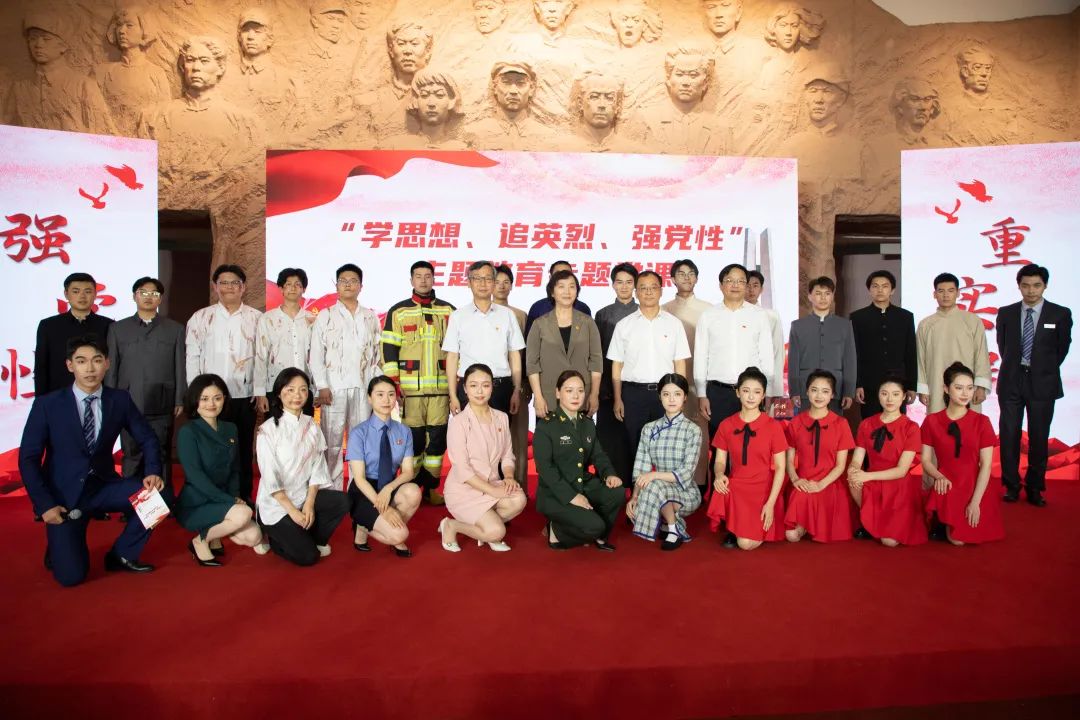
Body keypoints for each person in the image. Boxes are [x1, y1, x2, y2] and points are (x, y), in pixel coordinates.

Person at [19, 335, 164, 586]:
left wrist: (153, 470)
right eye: (81, 361)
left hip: (103, 485)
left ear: (107, 363)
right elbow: (28, 459)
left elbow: (148, 438)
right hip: (64, 496)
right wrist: (45, 505)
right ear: (69, 365)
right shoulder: (47, 405)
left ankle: (122, 554)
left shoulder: (119, 399)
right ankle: (59, 545)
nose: (90, 368)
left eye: (96, 360)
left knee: (155, 500)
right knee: (71, 577)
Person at [996, 264, 1073, 506]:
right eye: (1026, 285)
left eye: (1036, 285)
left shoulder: (1060, 314)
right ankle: (1011, 485)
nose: (1031, 291)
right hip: (1011, 380)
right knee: (1009, 434)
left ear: (1045, 286)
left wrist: (1040, 367)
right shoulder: (1006, 313)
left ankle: (1035, 487)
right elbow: (1003, 347)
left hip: (1043, 382)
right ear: (1019, 286)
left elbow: (1061, 349)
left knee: (1039, 436)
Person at [255, 368, 349, 566]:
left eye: (303, 390)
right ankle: (275, 538)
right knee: (308, 557)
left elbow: (317, 467)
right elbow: (270, 478)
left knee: (342, 501)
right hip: (278, 505)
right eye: (290, 390)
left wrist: (309, 502)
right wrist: (292, 511)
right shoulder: (268, 431)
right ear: (278, 393)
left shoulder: (312, 425)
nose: (297, 395)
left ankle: (313, 538)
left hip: (303, 496)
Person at [185, 264, 262, 502]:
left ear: (243, 287)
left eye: (234, 283)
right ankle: (213, 498)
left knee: (243, 448)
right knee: (211, 450)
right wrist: (196, 393)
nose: (229, 287)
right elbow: (193, 356)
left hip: (245, 395)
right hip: (210, 399)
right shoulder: (201, 317)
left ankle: (244, 497)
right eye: (224, 283)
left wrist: (259, 390)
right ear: (215, 287)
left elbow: (262, 357)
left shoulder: (257, 318)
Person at [381, 261, 455, 505]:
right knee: (412, 442)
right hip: (410, 393)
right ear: (411, 280)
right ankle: (409, 487)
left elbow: (458, 350)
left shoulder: (448, 311)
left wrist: (456, 387)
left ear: (434, 279)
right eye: (418, 276)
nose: (423, 280)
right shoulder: (399, 312)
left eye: (428, 276)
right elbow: (388, 348)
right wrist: (393, 384)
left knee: (437, 442)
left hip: (441, 391)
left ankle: (432, 488)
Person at [695, 264, 775, 483]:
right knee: (719, 449)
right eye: (730, 280)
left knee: (750, 449)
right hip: (718, 392)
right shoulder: (709, 315)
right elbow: (701, 355)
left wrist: (766, 392)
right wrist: (702, 393)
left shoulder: (759, 316)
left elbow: (766, 355)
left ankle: (748, 494)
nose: (735, 285)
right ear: (721, 285)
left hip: (750, 393)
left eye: (741, 281)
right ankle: (720, 498)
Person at [176, 373, 267, 567]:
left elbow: (234, 469)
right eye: (204, 399)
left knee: (254, 536)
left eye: (217, 398)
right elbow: (196, 477)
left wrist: (235, 496)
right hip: (198, 501)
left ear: (224, 399)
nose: (211, 404)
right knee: (243, 514)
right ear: (195, 400)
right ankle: (200, 540)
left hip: (225, 498)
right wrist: (229, 501)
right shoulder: (188, 432)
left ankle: (216, 533)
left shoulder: (230, 428)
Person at [105, 277, 185, 494]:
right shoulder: (117, 329)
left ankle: (164, 500)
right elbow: (112, 368)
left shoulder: (175, 329)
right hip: (128, 401)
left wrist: (179, 398)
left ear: (161, 298)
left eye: (154, 293)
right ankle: (130, 500)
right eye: (143, 292)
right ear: (134, 296)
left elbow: (180, 366)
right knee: (131, 453)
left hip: (162, 401)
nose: (149, 297)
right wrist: (110, 398)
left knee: (161, 451)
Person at [609, 271, 690, 481]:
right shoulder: (624, 325)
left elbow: (680, 363)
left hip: (666, 395)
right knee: (635, 447)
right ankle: (637, 496)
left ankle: (664, 495)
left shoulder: (674, 324)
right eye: (643, 288)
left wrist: (680, 397)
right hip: (633, 395)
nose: (648, 292)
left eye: (653, 287)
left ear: (661, 291)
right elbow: (617, 365)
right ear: (636, 292)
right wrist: (618, 398)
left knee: (667, 447)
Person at [439, 363, 526, 552]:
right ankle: (452, 525)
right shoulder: (459, 423)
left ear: (492, 387)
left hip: (491, 483)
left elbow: (507, 455)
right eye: (473, 385)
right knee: (497, 531)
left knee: (519, 499)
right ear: (464, 388)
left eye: (485, 385)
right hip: (464, 490)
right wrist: (493, 491)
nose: (480, 391)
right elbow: (462, 470)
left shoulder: (501, 417)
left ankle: (485, 527)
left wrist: (508, 477)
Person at [534, 370, 624, 551]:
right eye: (569, 390)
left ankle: (599, 536)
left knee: (616, 493)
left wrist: (609, 474)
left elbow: (598, 455)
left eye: (580, 391)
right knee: (594, 526)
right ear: (558, 393)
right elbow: (545, 468)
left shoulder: (587, 423)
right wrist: (572, 497)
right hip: (556, 492)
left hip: (583, 483)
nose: (576, 396)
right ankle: (556, 530)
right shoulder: (546, 425)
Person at [310, 263, 381, 489]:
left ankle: (358, 488)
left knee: (360, 441)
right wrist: (322, 385)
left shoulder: (370, 317)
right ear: (336, 285)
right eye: (343, 281)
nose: (348, 285)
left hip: (363, 387)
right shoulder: (325, 316)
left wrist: (376, 389)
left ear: (361, 286)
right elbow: (316, 354)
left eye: (353, 281)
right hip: (334, 388)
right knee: (331, 442)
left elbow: (377, 356)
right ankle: (331, 489)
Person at [705, 367, 788, 550]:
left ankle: (743, 526)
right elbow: (720, 461)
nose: (751, 396)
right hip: (737, 486)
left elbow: (781, 468)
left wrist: (770, 504)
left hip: (763, 488)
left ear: (763, 395)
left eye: (757, 392)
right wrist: (719, 475)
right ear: (737, 392)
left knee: (745, 544)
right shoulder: (726, 425)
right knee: (722, 486)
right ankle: (735, 525)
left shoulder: (773, 426)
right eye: (746, 391)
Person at [921, 362, 1004, 545]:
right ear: (946, 389)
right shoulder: (931, 421)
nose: (965, 393)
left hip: (975, 485)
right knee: (957, 540)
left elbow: (986, 465)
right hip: (946, 483)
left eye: (969, 388)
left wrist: (975, 502)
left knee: (961, 539)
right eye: (959, 388)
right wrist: (939, 476)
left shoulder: (982, 422)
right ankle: (941, 516)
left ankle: (945, 518)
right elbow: (925, 460)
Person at [345, 376, 423, 557]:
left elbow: (408, 472)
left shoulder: (404, 431)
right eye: (380, 395)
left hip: (388, 485)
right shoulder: (359, 433)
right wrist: (385, 509)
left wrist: (389, 488)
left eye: (391, 394)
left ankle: (378, 527)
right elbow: (359, 479)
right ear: (369, 398)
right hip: (364, 490)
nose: (386, 400)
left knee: (413, 492)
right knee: (400, 535)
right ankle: (367, 526)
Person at [848, 374, 927, 547]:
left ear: (904, 396)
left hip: (899, 484)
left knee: (889, 542)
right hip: (873, 481)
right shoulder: (866, 424)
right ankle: (869, 520)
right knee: (852, 478)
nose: (889, 399)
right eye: (884, 393)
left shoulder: (911, 427)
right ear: (878, 395)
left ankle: (879, 522)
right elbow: (857, 458)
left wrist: (866, 476)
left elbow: (902, 470)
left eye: (895, 394)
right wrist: (853, 469)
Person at [626, 373, 702, 550]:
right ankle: (668, 523)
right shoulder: (649, 428)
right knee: (645, 497)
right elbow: (641, 468)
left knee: (654, 485)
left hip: (685, 492)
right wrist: (635, 497)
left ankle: (674, 529)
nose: (671, 399)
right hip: (655, 488)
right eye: (666, 394)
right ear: (659, 396)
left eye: (677, 394)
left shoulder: (693, 430)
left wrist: (654, 475)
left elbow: (686, 473)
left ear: (685, 397)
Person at [444, 261, 525, 416]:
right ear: (469, 283)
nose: (483, 284)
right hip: (469, 389)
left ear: (494, 282)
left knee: (501, 431)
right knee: (468, 431)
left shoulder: (507, 315)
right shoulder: (458, 316)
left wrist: (516, 390)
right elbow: (452, 357)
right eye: (477, 278)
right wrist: (453, 395)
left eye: (488, 279)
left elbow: (515, 355)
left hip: (501, 388)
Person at [783, 370, 856, 543]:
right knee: (791, 536)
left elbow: (841, 466)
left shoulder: (841, 424)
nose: (819, 396)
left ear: (832, 395)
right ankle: (805, 523)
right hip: (803, 482)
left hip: (829, 483)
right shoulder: (795, 423)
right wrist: (795, 479)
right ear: (807, 392)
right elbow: (789, 460)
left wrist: (821, 485)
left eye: (825, 391)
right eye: (814, 390)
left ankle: (811, 523)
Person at [663, 259, 712, 495]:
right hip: (672, 384)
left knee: (701, 436)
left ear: (697, 278)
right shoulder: (663, 310)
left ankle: (699, 486)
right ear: (672, 279)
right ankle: (672, 487)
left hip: (700, 383)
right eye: (681, 274)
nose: (686, 277)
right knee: (673, 436)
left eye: (691, 273)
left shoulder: (709, 310)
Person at [526, 270, 603, 419]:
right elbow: (532, 364)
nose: (567, 292)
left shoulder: (588, 322)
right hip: (548, 398)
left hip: (581, 397)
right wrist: (538, 396)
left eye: (572, 287)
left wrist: (594, 394)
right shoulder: (539, 324)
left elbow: (596, 361)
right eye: (561, 286)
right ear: (552, 292)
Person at [916, 273, 991, 413]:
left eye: (950, 291)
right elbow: (920, 359)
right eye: (941, 291)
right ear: (934, 294)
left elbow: (981, 354)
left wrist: (980, 386)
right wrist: (922, 389)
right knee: (937, 421)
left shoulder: (972, 321)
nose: (946, 295)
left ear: (958, 293)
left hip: (967, 387)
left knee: (968, 422)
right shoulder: (925, 324)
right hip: (935, 384)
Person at [850, 270, 917, 419]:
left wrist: (912, 386)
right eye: (875, 286)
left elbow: (910, 353)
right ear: (869, 290)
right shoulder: (858, 317)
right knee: (870, 424)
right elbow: (855, 354)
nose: (880, 290)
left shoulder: (905, 317)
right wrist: (857, 384)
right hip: (869, 384)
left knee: (897, 424)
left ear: (892, 290)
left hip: (898, 384)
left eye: (885, 286)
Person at [594, 262, 639, 483]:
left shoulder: (643, 313)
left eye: (629, 282)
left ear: (635, 285)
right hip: (607, 389)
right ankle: (609, 488)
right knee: (608, 443)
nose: (624, 287)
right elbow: (598, 354)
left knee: (634, 442)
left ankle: (635, 490)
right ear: (612, 284)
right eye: (619, 282)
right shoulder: (603, 315)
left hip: (634, 387)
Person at [35, 272, 113, 396]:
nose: (82, 296)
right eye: (76, 291)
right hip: (58, 396)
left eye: (87, 291)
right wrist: (40, 401)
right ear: (66, 294)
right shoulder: (48, 326)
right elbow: (41, 368)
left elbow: (112, 367)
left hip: (98, 396)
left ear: (95, 294)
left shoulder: (109, 325)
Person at [787, 277, 857, 414]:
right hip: (805, 389)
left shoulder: (845, 325)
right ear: (810, 296)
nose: (823, 298)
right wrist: (794, 391)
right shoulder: (798, 326)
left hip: (836, 389)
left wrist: (849, 391)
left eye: (827, 293)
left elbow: (850, 360)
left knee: (833, 426)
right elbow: (793, 361)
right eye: (818, 293)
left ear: (832, 296)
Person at [254, 268, 315, 417]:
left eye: (297, 284)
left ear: (304, 289)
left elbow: (317, 357)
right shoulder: (267, 319)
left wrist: (318, 389)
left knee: (304, 429)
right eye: (288, 284)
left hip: (304, 389)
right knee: (275, 428)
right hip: (275, 387)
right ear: (281, 289)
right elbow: (261, 356)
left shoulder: (313, 320)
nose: (293, 288)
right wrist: (260, 392)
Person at [493, 264, 531, 494]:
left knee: (516, 437)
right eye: (497, 282)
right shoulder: (477, 314)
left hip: (516, 384)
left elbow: (525, 353)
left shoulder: (520, 315)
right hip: (491, 385)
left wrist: (524, 385)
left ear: (512, 286)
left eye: (506, 282)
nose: (501, 286)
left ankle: (519, 486)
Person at [745, 270, 786, 407]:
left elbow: (778, 353)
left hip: (762, 382)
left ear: (761, 289)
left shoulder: (771, 316)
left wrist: (775, 390)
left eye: (755, 285)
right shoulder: (730, 316)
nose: (751, 290)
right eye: (747, 285)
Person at [524, 260, 593, 340]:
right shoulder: (538, 307)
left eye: (566, 274)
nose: (562, 278)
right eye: (558, 274)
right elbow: (530, 340)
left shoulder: (583, 308)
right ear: (550, 278)